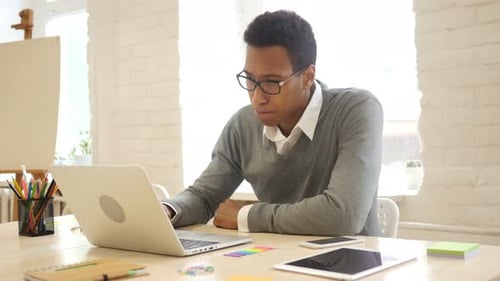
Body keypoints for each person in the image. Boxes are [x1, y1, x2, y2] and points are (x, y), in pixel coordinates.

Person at [162, 10, 383, 236]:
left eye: (272, 82)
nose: (257, 98)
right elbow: (203, 198)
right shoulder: (243, 125)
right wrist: (167, 210)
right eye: (250, 80)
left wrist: (246, 215)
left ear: (308, 76)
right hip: (275, 259)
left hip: (352, 262)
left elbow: (343, 216)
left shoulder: (356, 110)